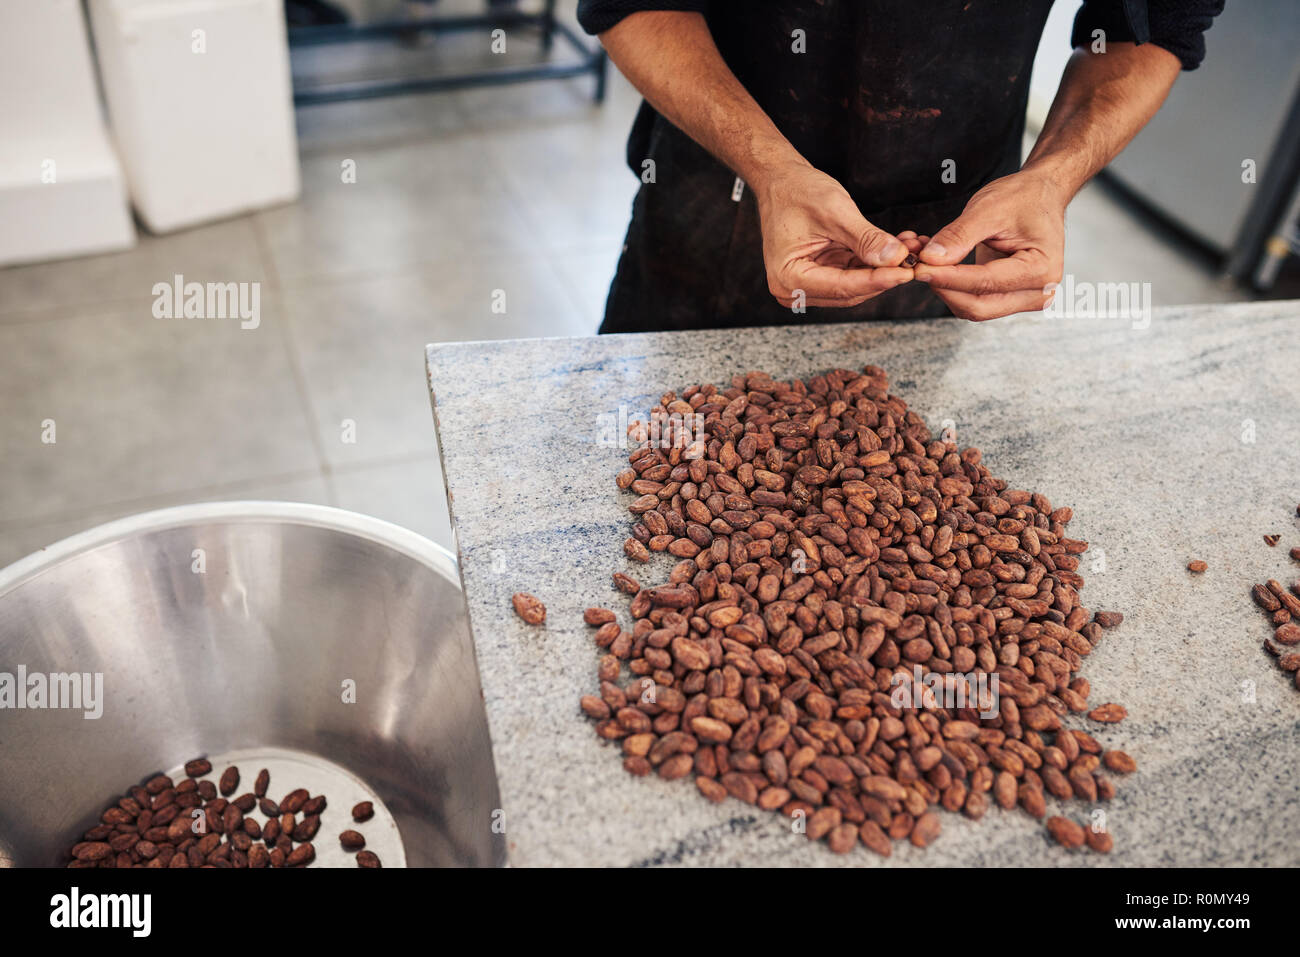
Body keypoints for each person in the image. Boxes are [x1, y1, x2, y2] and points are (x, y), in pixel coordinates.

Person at [577, 1, 1224, 333]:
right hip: (721, 186)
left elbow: (1153, 27)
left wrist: (1052, 177)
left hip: (951, 224)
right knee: (657, 461)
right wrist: (772, 170)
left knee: (889, 478)